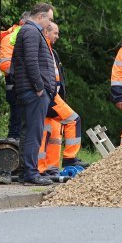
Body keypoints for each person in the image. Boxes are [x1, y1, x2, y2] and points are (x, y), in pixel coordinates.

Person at [11, 2, 57, 185]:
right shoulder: (31, 32)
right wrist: (39, 87)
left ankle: (25, 171)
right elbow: (31, 61)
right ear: (41, 16)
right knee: (33, 132)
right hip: (34, 92)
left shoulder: (28, 31)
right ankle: (31, 173)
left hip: (29, 90)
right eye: (50, 19)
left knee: (27, 131)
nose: (50, 24)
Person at [37, 21, 86, 174]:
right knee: (73, 119)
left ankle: (48, 168)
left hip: (51, 95)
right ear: (46, 33)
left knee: (49, 134)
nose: (57, 36)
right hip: (49, 96)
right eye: (55, 33)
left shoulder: (51, 51)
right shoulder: (43, 49)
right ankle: (70, 157)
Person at [0, 11, 30, 139]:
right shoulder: (10, 39)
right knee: (17, 121)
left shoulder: (18, 37)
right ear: (22, 23)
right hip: (15, 85)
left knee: (20, 120)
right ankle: (13, 147)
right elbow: (5, 65)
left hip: (19, 84)